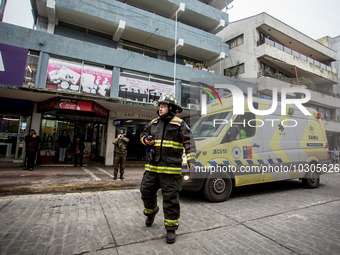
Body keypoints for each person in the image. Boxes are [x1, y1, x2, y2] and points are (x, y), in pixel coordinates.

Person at [139, 93, 196, 244]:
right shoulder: (153, 123)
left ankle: (171, 229)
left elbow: (189, 141)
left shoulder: (180, 124)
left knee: (171, 200)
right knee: (145, 190)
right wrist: (146, 140)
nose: (160, 109)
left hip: (170, 171)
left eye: (163, 106)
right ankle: (151, 212)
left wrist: (191, 159)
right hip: (152, 168)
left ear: (171, 108)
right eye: (159, 106)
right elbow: (143, 134)